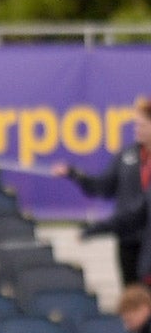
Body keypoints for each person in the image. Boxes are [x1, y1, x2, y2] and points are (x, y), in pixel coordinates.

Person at [52, 99, 151, 288]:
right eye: (136, 124)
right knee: (133, 298)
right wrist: (74, 175)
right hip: (129, 239)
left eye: (142, 124)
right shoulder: (126, 156)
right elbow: (103, 188)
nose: (137, 129)